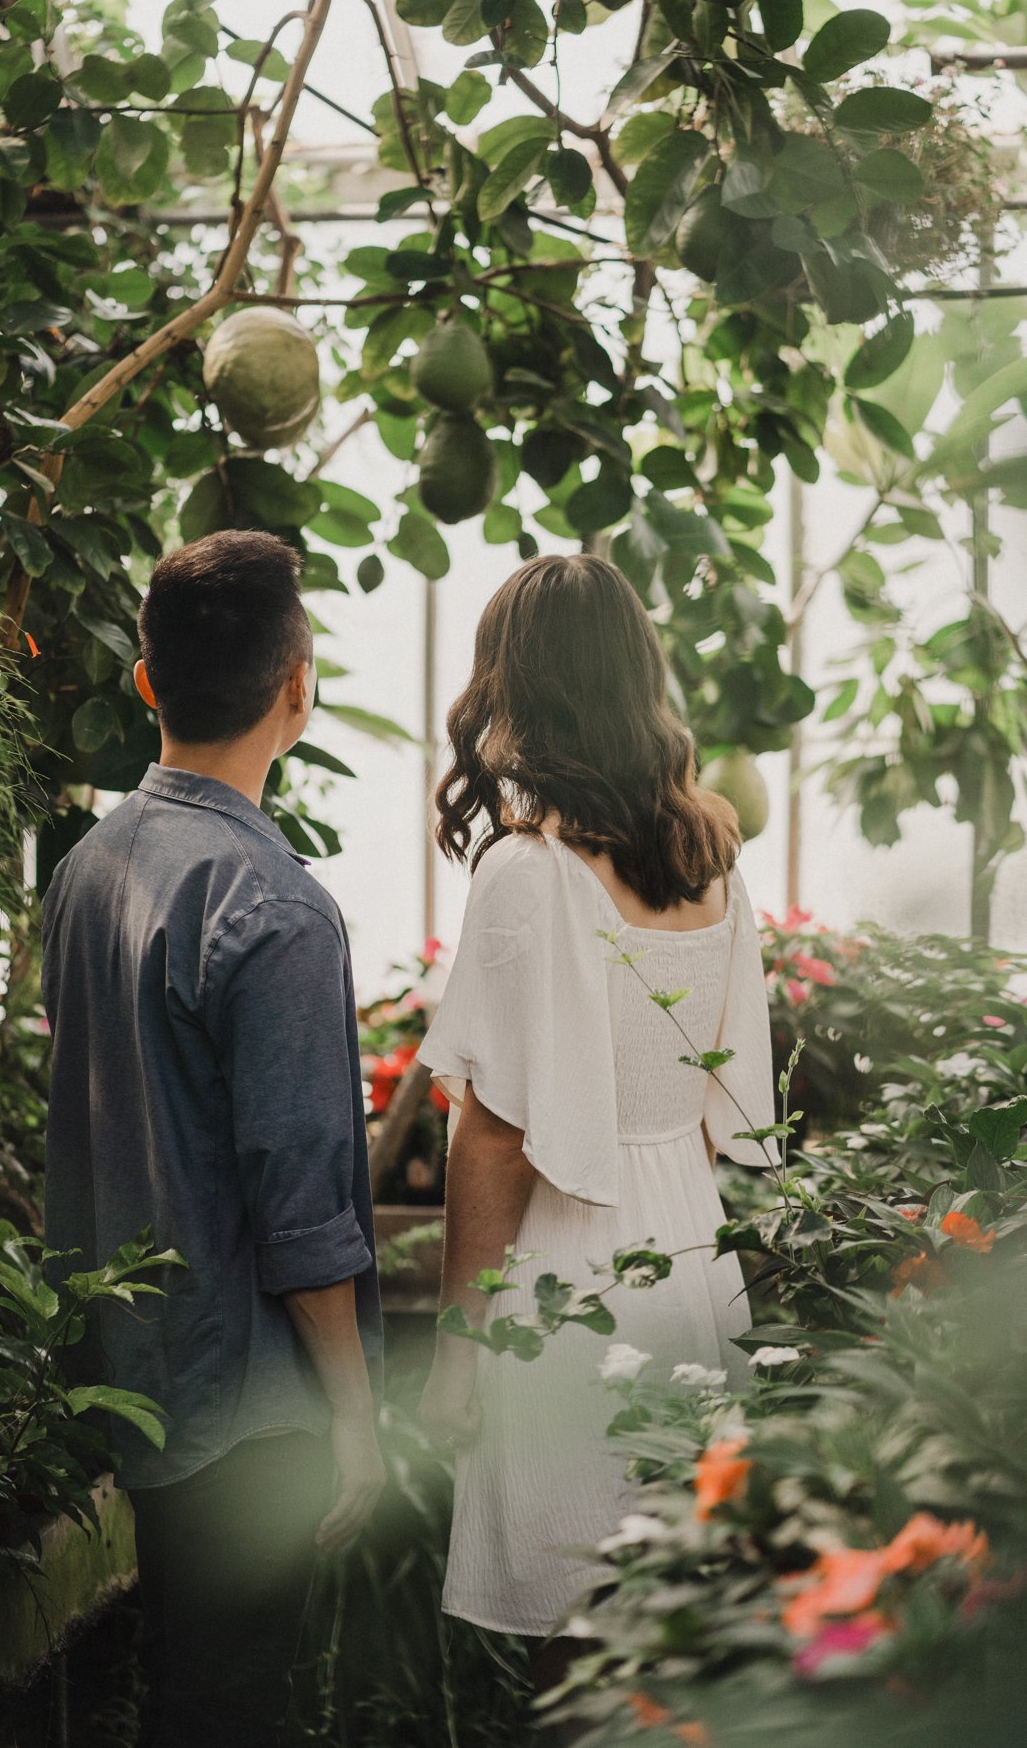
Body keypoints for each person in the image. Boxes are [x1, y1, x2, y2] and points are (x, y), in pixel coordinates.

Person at [41, 530, 385, 1748]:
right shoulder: (275, 904)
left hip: (136, 1367)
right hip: (252, 1404)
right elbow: (300, 1208)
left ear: (147, 681)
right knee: (233, 1706)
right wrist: (358, 1417)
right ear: (298, 688)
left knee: (186, 1690)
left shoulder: (87, 869)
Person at [414, 554, 776, 1682]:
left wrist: (458, 1356)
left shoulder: (529, 873)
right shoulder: (714, 863)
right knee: (678, 1638)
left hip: (573, 1282)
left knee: (576, 1645)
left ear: (516, 688)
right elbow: (727, 1113)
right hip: (695, 1261)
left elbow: (495, 1138)